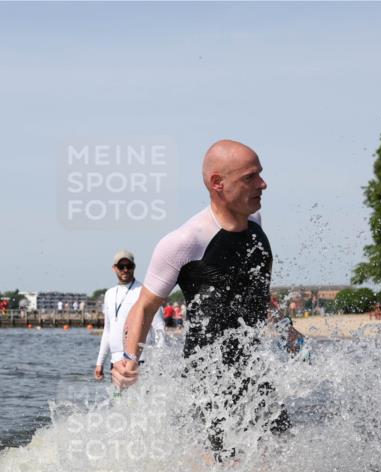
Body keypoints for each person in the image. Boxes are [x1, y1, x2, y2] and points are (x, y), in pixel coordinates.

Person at [111, 140, 302, 452]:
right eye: (250, 177)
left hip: (254, 373)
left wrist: (287, 331)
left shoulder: (255, 223)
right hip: (208, 380)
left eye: (260, 174)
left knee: (281, 461)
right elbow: (143, 307)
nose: (262, 184)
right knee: (228, 471)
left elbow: (252, 293)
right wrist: (128, 360)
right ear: (218, 183)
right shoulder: (184, 242)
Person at [94, 251, 165, 380]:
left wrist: (159, 361)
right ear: (114, 268)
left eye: (129, 266)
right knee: (117, 394)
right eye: (121, 266)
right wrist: (100, 362)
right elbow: (107, 331)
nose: (125, 270)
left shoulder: (146, 292)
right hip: (116, 361)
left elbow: (159, 328)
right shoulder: (109, 294)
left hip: (141, 360)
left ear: (134, 267)